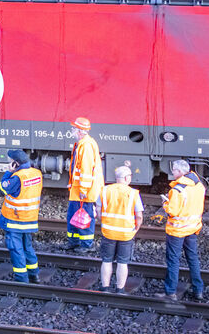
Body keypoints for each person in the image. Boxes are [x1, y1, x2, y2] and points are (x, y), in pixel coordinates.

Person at [155, 159, 206, 302]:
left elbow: (172, 212)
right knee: (193, 259)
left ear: (179, 172)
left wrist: (165, 203)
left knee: (173, 261)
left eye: (174, 171)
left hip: (177, 231)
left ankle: (170, 292)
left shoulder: (177, 190)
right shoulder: (199, 186)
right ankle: (198, 291)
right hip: (192, 228)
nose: (172, 173)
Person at [95, 164, 143, 293]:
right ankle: (120, 289)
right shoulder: (133, 193)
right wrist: (135, 229)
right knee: (122, 262)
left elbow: (98, 209)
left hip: (108, 231)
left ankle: (105, 287)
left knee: (106, 260)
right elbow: (138, 216)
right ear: (127, 178)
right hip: (126, 234)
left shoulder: (105, 190)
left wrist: (103, 221)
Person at [0, 149, 42, 283]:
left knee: (16, 249)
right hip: (30, 219)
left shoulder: (17, 177)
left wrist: (8, 172)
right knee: (27, 247)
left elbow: (1, 188)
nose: (9, 163)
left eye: (11, 161)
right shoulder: (36, 173)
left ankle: (21, 278)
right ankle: (34, 274)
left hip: (15, 220)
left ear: (16, 164)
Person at [64, 117, 103, 253]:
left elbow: (86, 169)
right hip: (77, 189)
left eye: (74, 128)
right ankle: (73, 242)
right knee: (73, 216)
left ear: (80, 131)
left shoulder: (86, 145)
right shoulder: (82, 144)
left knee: (84, 216)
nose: (72, 130)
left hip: (84, 190)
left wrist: (84, 189)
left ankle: (86, 244)